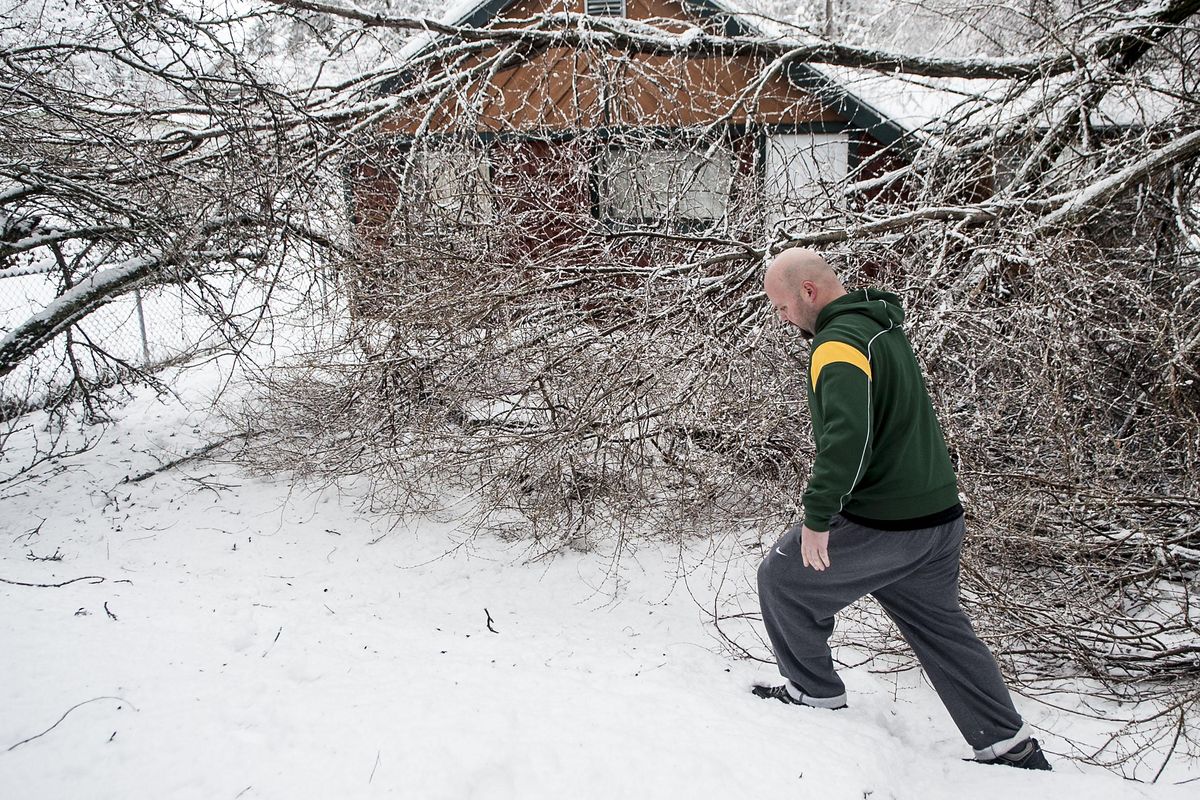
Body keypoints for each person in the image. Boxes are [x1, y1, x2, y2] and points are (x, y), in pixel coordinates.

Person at [753, 248, 1050, 771]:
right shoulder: (880, 327)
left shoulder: (837, 344)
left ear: (808, 292)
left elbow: (849, 440)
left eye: (780, 306)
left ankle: (813, 692)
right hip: (938, 517)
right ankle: (1008, 744)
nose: (780, 319)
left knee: (782, 578)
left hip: (887, 521)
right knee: (940, 627)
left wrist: (817, 517)